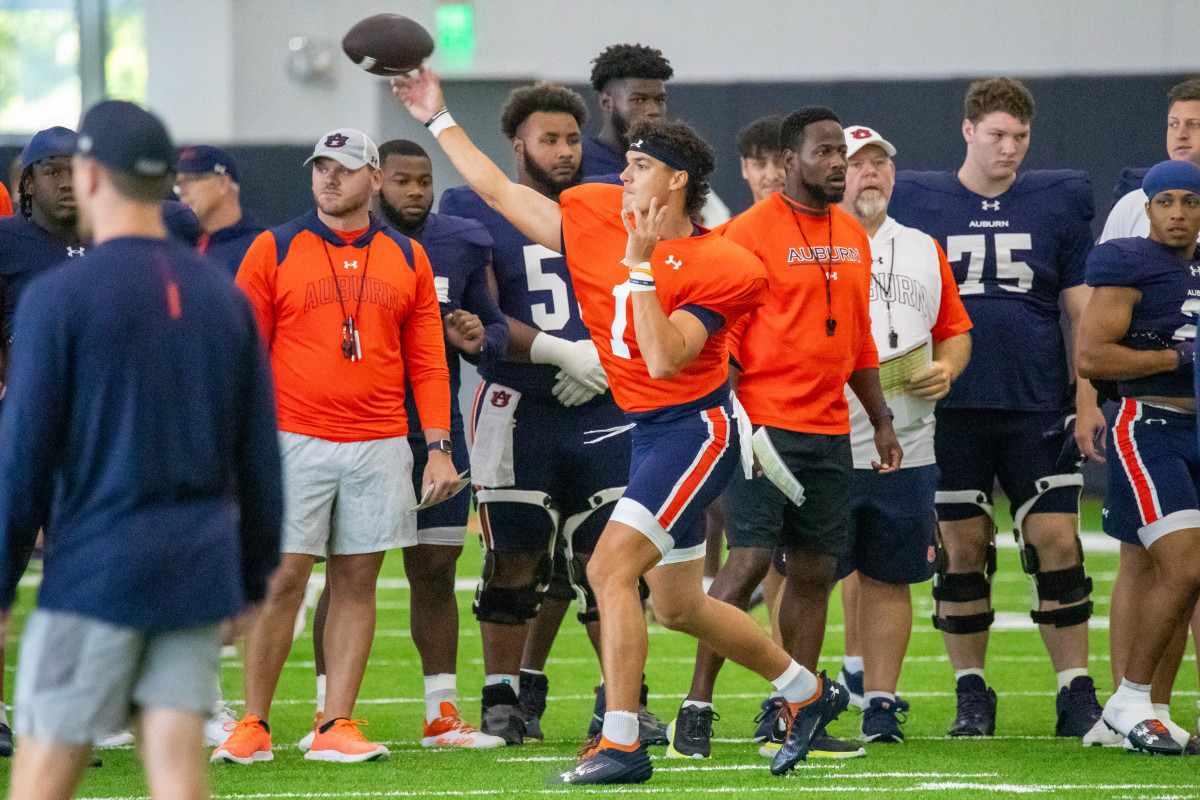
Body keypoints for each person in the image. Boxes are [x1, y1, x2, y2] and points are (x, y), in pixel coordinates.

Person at [394, 65, 848, 785]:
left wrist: (637, 269)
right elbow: (499, 191)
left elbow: (666, 359)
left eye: (639, 167)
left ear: (675, 182)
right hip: (648, 432)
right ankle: (808, 691)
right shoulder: (601, 213)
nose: (623, 176)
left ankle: (623, 742)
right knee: (680, 605)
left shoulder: (725, 261)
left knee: (607, 569)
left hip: (695, 429)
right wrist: (436, 116)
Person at [0, 98, 282, 800]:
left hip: (93, 573)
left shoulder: (57, 298)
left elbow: (22, 457)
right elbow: (259, 459)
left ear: (93, 175)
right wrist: (251, 584)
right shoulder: (224, 297)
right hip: (195, 572)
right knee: (178, 769)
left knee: (42, 773)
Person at [212, 128, 460, 765]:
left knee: (356, 580)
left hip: (380, 440)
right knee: (283, 577)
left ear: (373, 179)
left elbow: (428, 362)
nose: (330, 178)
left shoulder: (408, 255)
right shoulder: (274, 247)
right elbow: (240, 357)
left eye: (346, 169)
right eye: (322, 167)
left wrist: (438, 446)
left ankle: (335, 724)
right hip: (291, 438)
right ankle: (253, 725)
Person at [672, 107, 901, 762]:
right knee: (744, 564)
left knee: (813, 572)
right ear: (790, 158)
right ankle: (698, 705)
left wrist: (881, 419)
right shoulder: (746, 234)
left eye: (847, 156)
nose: (840, 165)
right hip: (761, 429)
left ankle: (799, 714)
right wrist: (733, 425)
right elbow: (723, 347)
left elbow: (857, 341)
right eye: (826, 153)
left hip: (830, 428)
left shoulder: (854, 236)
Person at [888, 77, 1106, 741]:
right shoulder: (917, 197)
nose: (1009, 148)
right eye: (997, 134)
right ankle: (971, 692)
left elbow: (1082, 309)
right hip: (949, 408)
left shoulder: (1058, 197)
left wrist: (1088, 393)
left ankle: (1075, 691)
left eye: (1020, 136)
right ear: (967, 130)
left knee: (1057, 543)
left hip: (1036, 400)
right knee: (962, 549)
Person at [438, 83, 644, 745]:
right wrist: (560, 353)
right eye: (549, 139)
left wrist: (608, 359)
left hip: (606, 403)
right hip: (518, 402)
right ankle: (502, 697)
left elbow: (643, 292)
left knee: (608, 560)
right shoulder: (472, 206)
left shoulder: (609, 200)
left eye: (572, 138)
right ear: (517, 144)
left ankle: (623, 701)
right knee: (515, 558)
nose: (564, 151)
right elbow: (481, 315)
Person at [300, 137, 508, 750]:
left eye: (423, 180)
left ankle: (441, 712)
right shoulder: (316, 244)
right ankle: (326, 713)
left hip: (433, 430)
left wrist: (477, 334)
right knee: (346, 573)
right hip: (354, 429)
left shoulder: (462, 240)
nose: (414, 191)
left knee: (438, 569)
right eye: (400, 180)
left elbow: (491, 326)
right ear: (374, 181)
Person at [833, 124, 973, 743]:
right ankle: (800, 697)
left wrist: (947, 367)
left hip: (909, 439)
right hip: (827, 434)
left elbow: (954, 329)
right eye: (857, 163)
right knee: (812, 573)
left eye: (880, 163)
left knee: (891, 576)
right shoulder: (809, 244)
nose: (871, 173)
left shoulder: (922, 246)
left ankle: (881, 702)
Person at [1077, 160, 1200, 755]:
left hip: (1195, 430)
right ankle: (1128, 697)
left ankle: (1150, 709)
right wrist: (1176, 361)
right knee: (1183, 566)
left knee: (1176, 576)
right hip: (1148, 425)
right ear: (1147, 208)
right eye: (1167, 201)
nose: (1178, 213)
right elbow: (1093, 356)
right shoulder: (1127, 261)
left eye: (1190, 202)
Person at [582, 43, 730, 226]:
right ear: (606, 102)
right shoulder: (577, 163)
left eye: (659, 100)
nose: (653, 110)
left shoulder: (674, 165)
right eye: (639, 99)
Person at [0, 127, 85, 380]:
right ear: (28, 183)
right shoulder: (7, 239)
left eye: (75, 171)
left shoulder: (109, 240)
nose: (67, 184)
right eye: (53, 172)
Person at [175, 145, 265, 274]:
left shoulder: (259, 250)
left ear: (223, 183)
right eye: (178, 183)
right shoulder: (185, 247)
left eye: (191, 180)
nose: (181, 191)